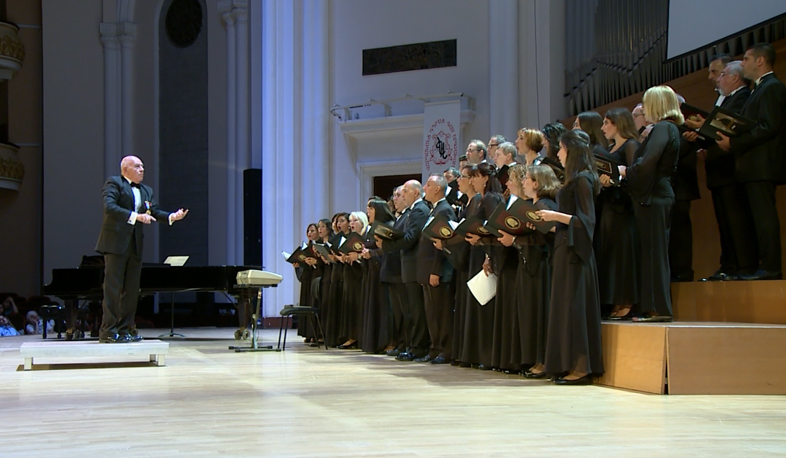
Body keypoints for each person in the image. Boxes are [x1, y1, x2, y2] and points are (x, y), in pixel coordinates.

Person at [95, 156, 188, 343]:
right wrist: (135, 217)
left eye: (143, 166)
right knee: (113, 288)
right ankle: (108, 331)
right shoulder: (114, 183)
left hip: (135, 245)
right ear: (125, 169)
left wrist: (171, 216)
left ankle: (125, 329)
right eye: (137, 166)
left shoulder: (146, 190)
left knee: (131, 289)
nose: (142, 169)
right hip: (115, 244)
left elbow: (153, 211)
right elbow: (110, 207)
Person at [537, 130, 603, 385]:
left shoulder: (583, 179)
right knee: (564, 309)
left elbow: (587, 221)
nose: (558, 154)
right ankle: (566, 364)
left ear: (572, 151)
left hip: (576, 252)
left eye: (561, 149)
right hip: (564, 248)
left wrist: (555, 217)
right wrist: (548, 224)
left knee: (575, 309)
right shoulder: (573, 179)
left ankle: (582, 367)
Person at [717, 43, 786, 281]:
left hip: (762, 165)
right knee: (758, 219)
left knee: (764, 218)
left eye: (746, 58)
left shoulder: (772, 87)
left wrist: (733, 143)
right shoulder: (759, 89)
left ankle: (771, 267)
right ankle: (763, 265)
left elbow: (768, 127)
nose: (742, 62)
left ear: (760, 61)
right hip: (752, 166)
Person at [620, 86, 682, 322]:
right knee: (651, 253)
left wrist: (627, 171)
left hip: (654, 197)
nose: (644, 110)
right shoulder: (666, 128)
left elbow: (648, 164)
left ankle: (658, 308)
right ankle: (652, 306)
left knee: (654, 254)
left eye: (646, 104)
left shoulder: (664, 128)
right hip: (656, 195)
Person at [691, 61, 756, 281]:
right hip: (718, 170)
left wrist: (703, 126)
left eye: (722, 75)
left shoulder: (742, 97)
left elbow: (733, 128)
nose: (718, 79)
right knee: (725, 222)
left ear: (735, 78)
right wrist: (702, 134)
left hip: (731, 169)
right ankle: (728, 264)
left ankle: (744, 265)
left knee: (737, 220)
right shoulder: (727, 99)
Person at [498, 164, 560, 378]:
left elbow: (544, 238)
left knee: (539, 312)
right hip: (530, 263)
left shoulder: (545, 204)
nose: (523, 182)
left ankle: (543, 360)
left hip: (542, 264)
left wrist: (514, 238)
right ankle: (535, 359)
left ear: (537, 183)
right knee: (530, 313)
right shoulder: (532, 204)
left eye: (527, 179)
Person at [377, 180, 430, 361]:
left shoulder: (419, 210)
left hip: (414, 266)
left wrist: (386, 244)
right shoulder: (414, 211)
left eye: (405, 191)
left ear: (416, 193)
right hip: (408, 266)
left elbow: (410, 239)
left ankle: (418, 347)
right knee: (410, 311)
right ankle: (412, 346)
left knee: (415, 311)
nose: (402, 195)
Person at [597, 108, 641, 320]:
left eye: (607, 123)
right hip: (610, 204)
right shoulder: (612, 148)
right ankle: (616, 298)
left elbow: (635, 175)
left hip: (623, 206)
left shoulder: (631, 145)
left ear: (619, 123)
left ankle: (627, 300)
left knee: (624, 254)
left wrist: (617, 178)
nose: (603, 127)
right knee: (613, 255)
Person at [416, 174, 457, 364]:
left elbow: (442, 244)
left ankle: (445, 349)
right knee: (431, 313)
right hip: (428, 270)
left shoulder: (445, 210)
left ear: (438, 189)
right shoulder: (435, 210)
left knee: (441, 313)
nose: (425, 188)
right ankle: (434, 348)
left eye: (429, 184)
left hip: (437, 271)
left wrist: (436, 270)